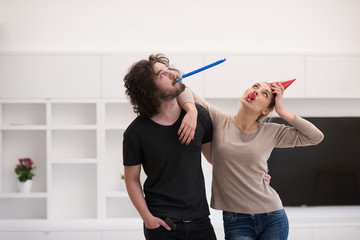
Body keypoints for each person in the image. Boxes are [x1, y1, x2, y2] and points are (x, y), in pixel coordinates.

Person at [177, 80, 324, 240]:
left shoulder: (272, 132)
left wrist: (281, 111)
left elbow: (315, 137)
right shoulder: (220, 120)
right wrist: (191, 110)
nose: (256, 91)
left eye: (264, 93)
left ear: (266, 109)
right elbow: (181, 88)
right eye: (255, 86)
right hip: (236, 220)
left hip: (272, 217)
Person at [122, 53, 217, 240]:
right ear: (149, 91)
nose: (173, 74)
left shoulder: (200, 116)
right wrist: (147, 218)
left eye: (168, 70)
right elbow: (132, 179)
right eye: (162, 75)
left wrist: (254, 171)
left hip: (200, 220)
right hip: (162, 223)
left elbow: (216, 159)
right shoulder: (135, 132)